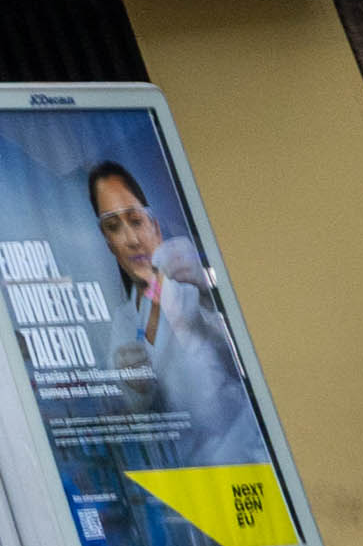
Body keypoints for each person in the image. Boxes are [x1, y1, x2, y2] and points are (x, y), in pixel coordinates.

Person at [89, 162, 271, 469]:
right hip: (194, 479)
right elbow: (129, 415)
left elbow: (251, 351)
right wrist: (137, 387)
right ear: (109, 244)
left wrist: (206, 291)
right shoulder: (123, 322)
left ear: (155, 227)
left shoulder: (196, 283)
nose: (131, 239)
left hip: (253, 458)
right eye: (113, 227)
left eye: (135, 220)